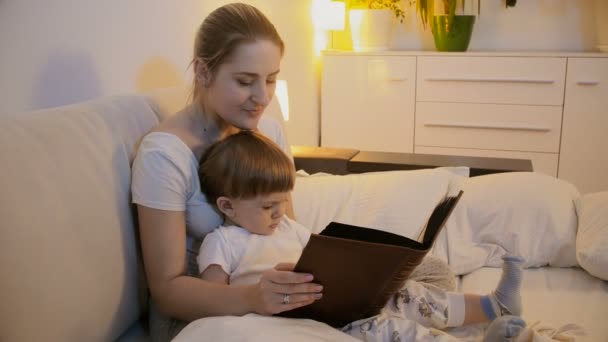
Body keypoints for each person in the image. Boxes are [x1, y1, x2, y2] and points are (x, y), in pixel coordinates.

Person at [196, 130, 527, 342]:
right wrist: (256, 294)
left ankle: (492, 306)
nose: (280, 213)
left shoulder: (287, 227)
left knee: (408, 294)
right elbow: (212, 300)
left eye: (283, 201)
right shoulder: (222, 242)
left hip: (335, 302)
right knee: (395, 331)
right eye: (269, 206)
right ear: (228, 205)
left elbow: (323, 257)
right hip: (307, 321)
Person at [130, 4, 322, 341]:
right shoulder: (164, 155)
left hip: (268, 295)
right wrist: (253, 298)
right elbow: (166, 291)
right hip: (196, 314)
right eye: (245, 81)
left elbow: (282, 230)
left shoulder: (270, 133)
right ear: (204, 72)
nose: (262, 97)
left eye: (272, 79)